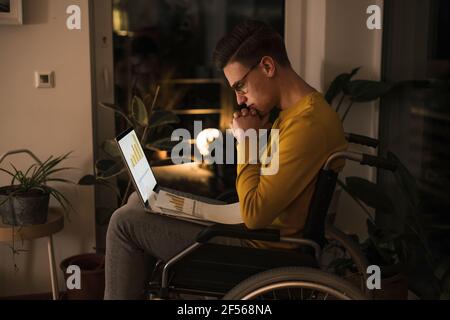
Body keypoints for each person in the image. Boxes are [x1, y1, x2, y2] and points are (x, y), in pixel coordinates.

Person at [104, 20, 347, 300]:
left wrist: (247, 142)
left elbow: (256, 214)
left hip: (259, 250)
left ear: (267, 67)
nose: (239, 99)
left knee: (124, 223)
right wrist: (256, 137)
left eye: (240, 86)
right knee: (139, 201)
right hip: (245, 226)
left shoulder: (307, 125)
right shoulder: (296, 113)